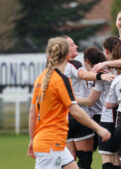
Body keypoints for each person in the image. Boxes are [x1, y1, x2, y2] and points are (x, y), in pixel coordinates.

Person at [27, 37, 110, 169]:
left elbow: (32, 113)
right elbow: (75, 111)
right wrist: (98, 128)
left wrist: (32, 140)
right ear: (67, 56)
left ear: (48, 56)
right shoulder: (61, 79)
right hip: (51, 144)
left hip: (52, 143)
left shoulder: (41, 77)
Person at [62, 36, 114, 169]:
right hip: (80, 115)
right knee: (85, 160)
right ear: (64, 49)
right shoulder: (74, 63)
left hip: (63, 117)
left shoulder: (57, 67)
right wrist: (100, 76)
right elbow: (84, 75)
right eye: (72, 45)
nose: (76, 47)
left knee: (68, 162)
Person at [77, 37, 121, 169]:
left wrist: (68, 99)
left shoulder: (102, 72)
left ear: (107, 51)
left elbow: (90, 101)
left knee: (107, 158)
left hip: (108, 117)